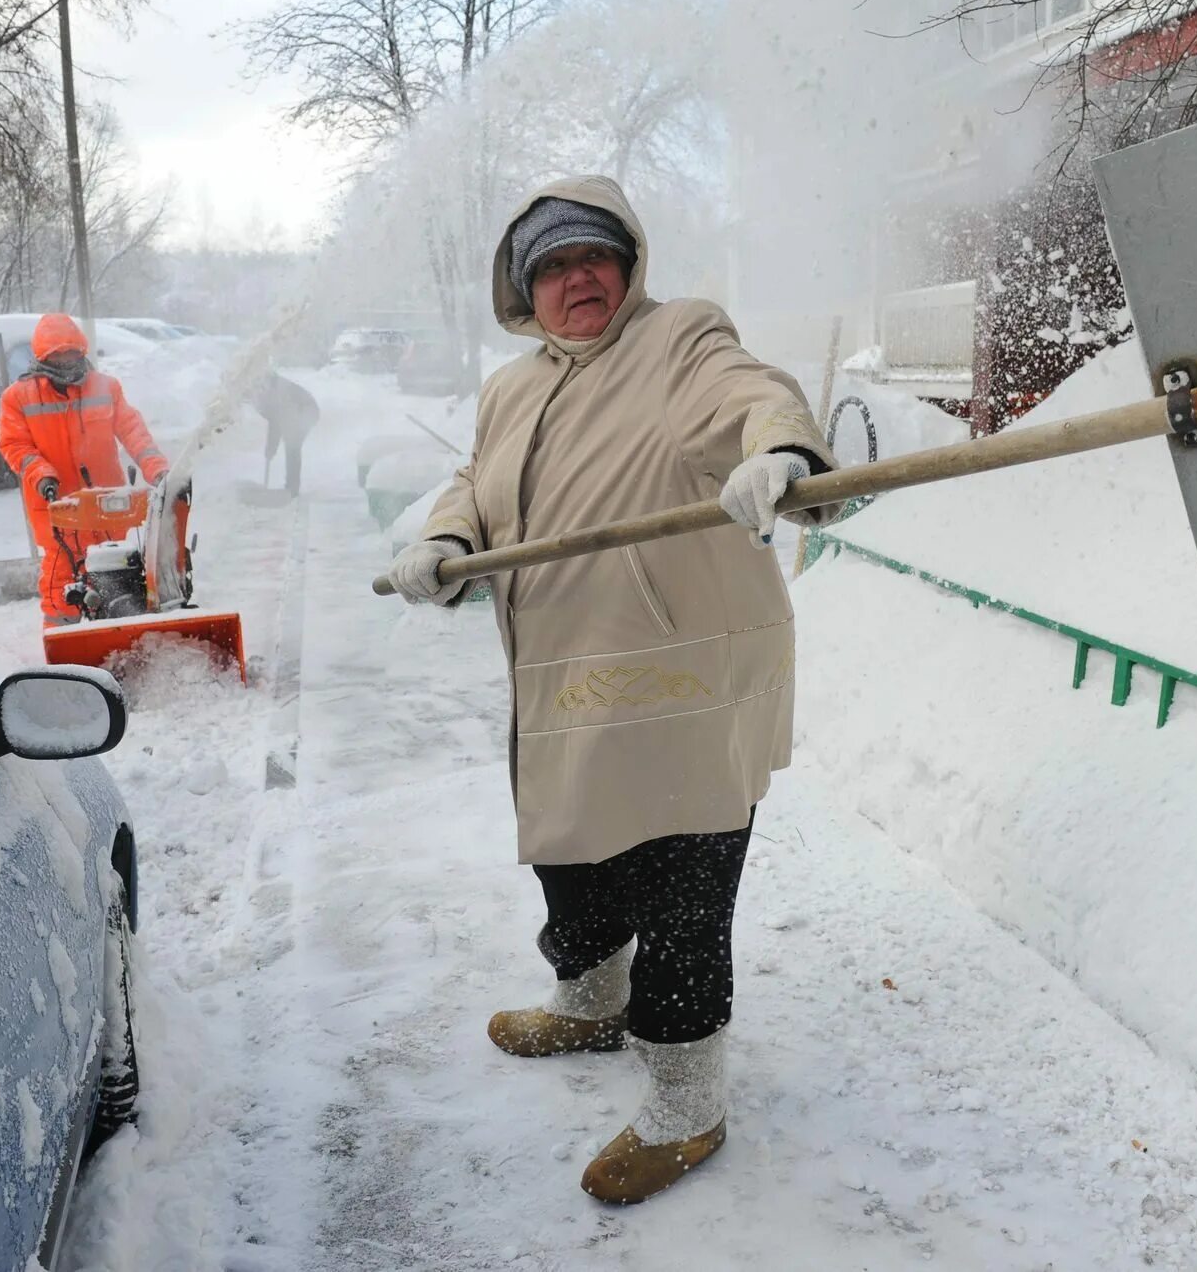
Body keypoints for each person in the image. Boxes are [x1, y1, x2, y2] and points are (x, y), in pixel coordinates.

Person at [387, 176, 842, 1204]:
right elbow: (479, 479)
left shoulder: (679, 339)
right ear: (523, 292)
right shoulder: (514, 386)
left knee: (683, 875)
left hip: (681, 670)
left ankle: (688, 1098)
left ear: (628, 266)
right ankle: (591, 998)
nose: (575, 278)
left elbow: (750, 393)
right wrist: (448, 533)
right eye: (549, 266)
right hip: (561, 671)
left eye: (592, 256)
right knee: (571, 847)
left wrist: (778, 450)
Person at [0, 313, 169, 626]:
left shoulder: (106, 388)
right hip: (56, 507)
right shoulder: (18, 398)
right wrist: (42, 475)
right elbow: (15, 446)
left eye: (71, 352)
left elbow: (133, 431)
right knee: (61, 586)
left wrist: (155, 468)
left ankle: (125, 632)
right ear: (42, 357)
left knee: (118, 574)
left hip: (108, 505)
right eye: (57, 354)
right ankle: (63, 652)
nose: (65, 360)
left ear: (82, 351)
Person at [253, 368, 319, 496]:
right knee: (291, 443)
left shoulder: (281, 392)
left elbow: (277, 424)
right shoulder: (267, 392)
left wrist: (271, 448)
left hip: (306, 410)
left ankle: (292, 488)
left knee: (292, 446)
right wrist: (270, 449)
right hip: (294, 412)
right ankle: (291, 487)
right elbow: (274, 420)